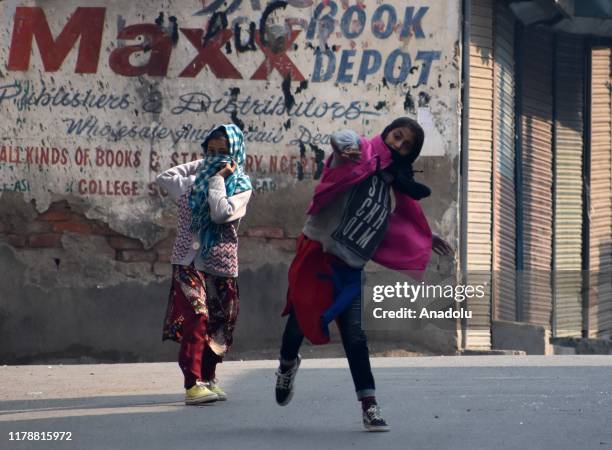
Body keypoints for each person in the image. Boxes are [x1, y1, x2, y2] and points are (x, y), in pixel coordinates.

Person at [275, 118, 453, 431]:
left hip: (351, 269)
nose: (398, 145)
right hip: (318, 259)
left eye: (406, 145)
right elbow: (341, 139)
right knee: (297, 329)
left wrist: (427, 238)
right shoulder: (359, 155)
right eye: (397, 137)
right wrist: (347, 145)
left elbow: (401, 224)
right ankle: (287, 366)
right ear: (386, 133)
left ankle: (369, 406)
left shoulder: (392, 188)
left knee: (356, 337)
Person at [157, 124, 252, 405]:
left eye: (223, 153)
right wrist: (208, 164)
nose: (215, 158)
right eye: (210, 151)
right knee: (197, 316)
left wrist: (219, 178)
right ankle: (192, 384)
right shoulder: (189, 182)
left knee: (218, 324)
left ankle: (208, 378)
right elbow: (165, 177)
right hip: (187, 261)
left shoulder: (242, 187)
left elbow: (221, 212)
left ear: (235, 155)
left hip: (220, 264)